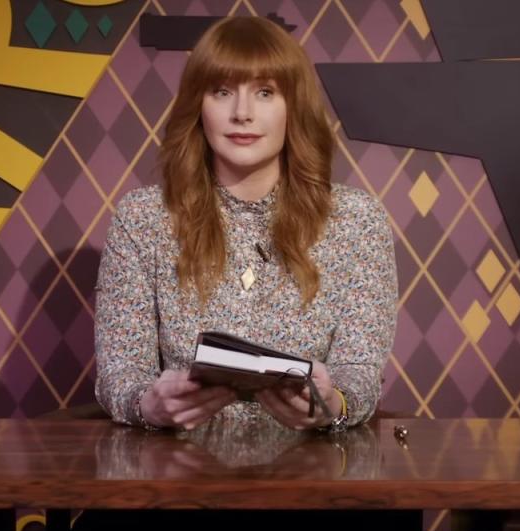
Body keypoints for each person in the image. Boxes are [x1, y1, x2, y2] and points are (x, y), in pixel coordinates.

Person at [94, 16, 397, 433]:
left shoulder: (356, 220)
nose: (242, 113)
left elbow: (359, 370)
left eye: (265, 92)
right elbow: (119, 372)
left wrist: (334, 404)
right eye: (222, 92)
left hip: (313, 476)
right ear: (198, 106)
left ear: (294, 106)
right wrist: (147, 404)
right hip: (174, 475)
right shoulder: (144, 218)